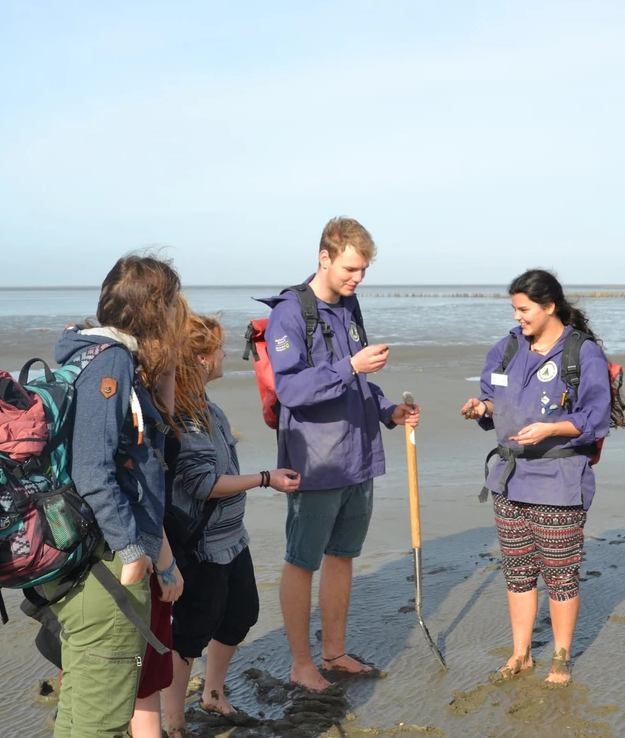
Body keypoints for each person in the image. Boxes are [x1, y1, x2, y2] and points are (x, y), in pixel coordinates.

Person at [259, 217, 420, 692]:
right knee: (301, 559)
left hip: (359, 454)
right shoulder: (290, 313)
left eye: (364, 270)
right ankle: (301, 663)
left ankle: (335, 652)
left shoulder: (351, 306)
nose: (357, 278)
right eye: (351, 269)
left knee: (343, 556)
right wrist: (350, 364)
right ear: (324, 257)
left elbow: (360, 383)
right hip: (316, 460)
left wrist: (390, 410)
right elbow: (290, 389)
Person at [47, 254, 185, 738]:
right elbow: (93, 468)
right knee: (101, 722)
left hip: (89, 558)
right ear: (153, 310)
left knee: (81, 714)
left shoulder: (92, 354)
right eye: (170, 304)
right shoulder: (111, 362)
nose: (176, 315)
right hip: (107, 567)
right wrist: (132, 550)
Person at [460, 269, 611, 686]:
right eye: (514, 309)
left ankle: (561, 656)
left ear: (549, 307)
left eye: (525, 309)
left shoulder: (583, 353)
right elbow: (493, 398)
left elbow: (595, 418)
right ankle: (520, 653)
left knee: (560, 573)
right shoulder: (507, 347)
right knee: (518, 571)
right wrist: (481, 408)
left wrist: (550, 428)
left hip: (559, 479)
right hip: (508, 478)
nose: (518, 317)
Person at [160, 314, 301, 735]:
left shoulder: (209, 409)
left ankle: (213, 693)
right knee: (190, 633)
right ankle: (174, 722)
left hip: (231, 539)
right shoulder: (185, 418)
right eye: (217, 349)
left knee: (242, 615)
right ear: (200, 359)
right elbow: (202, 485)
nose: (224, 355)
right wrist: (265, 479)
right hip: (200, 544)